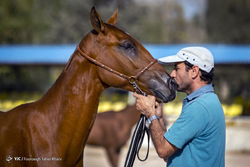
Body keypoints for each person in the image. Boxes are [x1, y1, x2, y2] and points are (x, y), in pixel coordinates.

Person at [133, 47, 226, 167]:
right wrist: (158, 117)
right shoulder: (208, 101)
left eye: (176, 69)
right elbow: (169, 154)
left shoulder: (199, 107)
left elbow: (163, 150)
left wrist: (150, 114)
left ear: (194, 71)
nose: (172, 74)